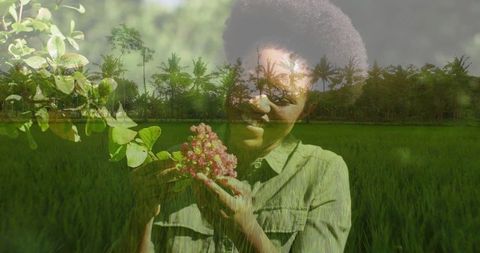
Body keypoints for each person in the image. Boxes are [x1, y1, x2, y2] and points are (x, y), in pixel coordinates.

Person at [113, 0, 368, 252]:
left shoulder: (322, 172)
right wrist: (142, 215)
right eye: (247, 84)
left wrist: (245, 230)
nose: (256, 103)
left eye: (280, 96)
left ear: (307, 109)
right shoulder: (177, 165)